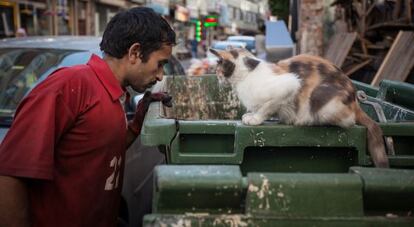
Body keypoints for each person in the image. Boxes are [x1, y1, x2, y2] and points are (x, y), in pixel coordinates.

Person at [0, 7, 175, 227]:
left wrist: (137, 122)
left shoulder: (114, 93)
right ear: (134, 52)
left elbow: (101, 150)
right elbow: (9, 174)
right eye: (159, 64)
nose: (160, 75)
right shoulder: (70, 85)